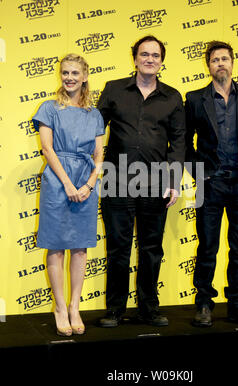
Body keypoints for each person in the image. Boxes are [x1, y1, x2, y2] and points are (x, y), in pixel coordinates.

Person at [97, 35, 186, 327]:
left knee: (151, 249)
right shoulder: (113, 90)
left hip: (156, 182)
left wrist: (174, 180)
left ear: (162, 62)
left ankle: (148, 308)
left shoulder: (173, 97)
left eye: (155, 55)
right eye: (144, 54)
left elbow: (179, 142)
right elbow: (97, 133)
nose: (150, 59)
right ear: (135, 58)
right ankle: (115, 310)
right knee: (118, 248)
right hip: (116, 179)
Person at [185, 41, 238, 327]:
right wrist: (200, 174)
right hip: (211, 185)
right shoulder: (195, 99)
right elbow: (184, 142)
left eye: (224, 59)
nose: (220, 63)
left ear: (232, 62)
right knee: (207, 247)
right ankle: (204, 305)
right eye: (214, 60)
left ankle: (237, 304)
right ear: (207, 66)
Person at [32, 54, 105, 336]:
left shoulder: (94, 114)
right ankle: (60, 307)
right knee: (56, 245)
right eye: (65, 73)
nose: (70, 77)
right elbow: (48, 149)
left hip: (85, 178)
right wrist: (68, 184)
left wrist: (88, 184)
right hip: (57, 179)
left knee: (80, 246)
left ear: (85, 76)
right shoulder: (49, 108)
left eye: (75, 73)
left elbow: (99, 154)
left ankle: (75, 306)